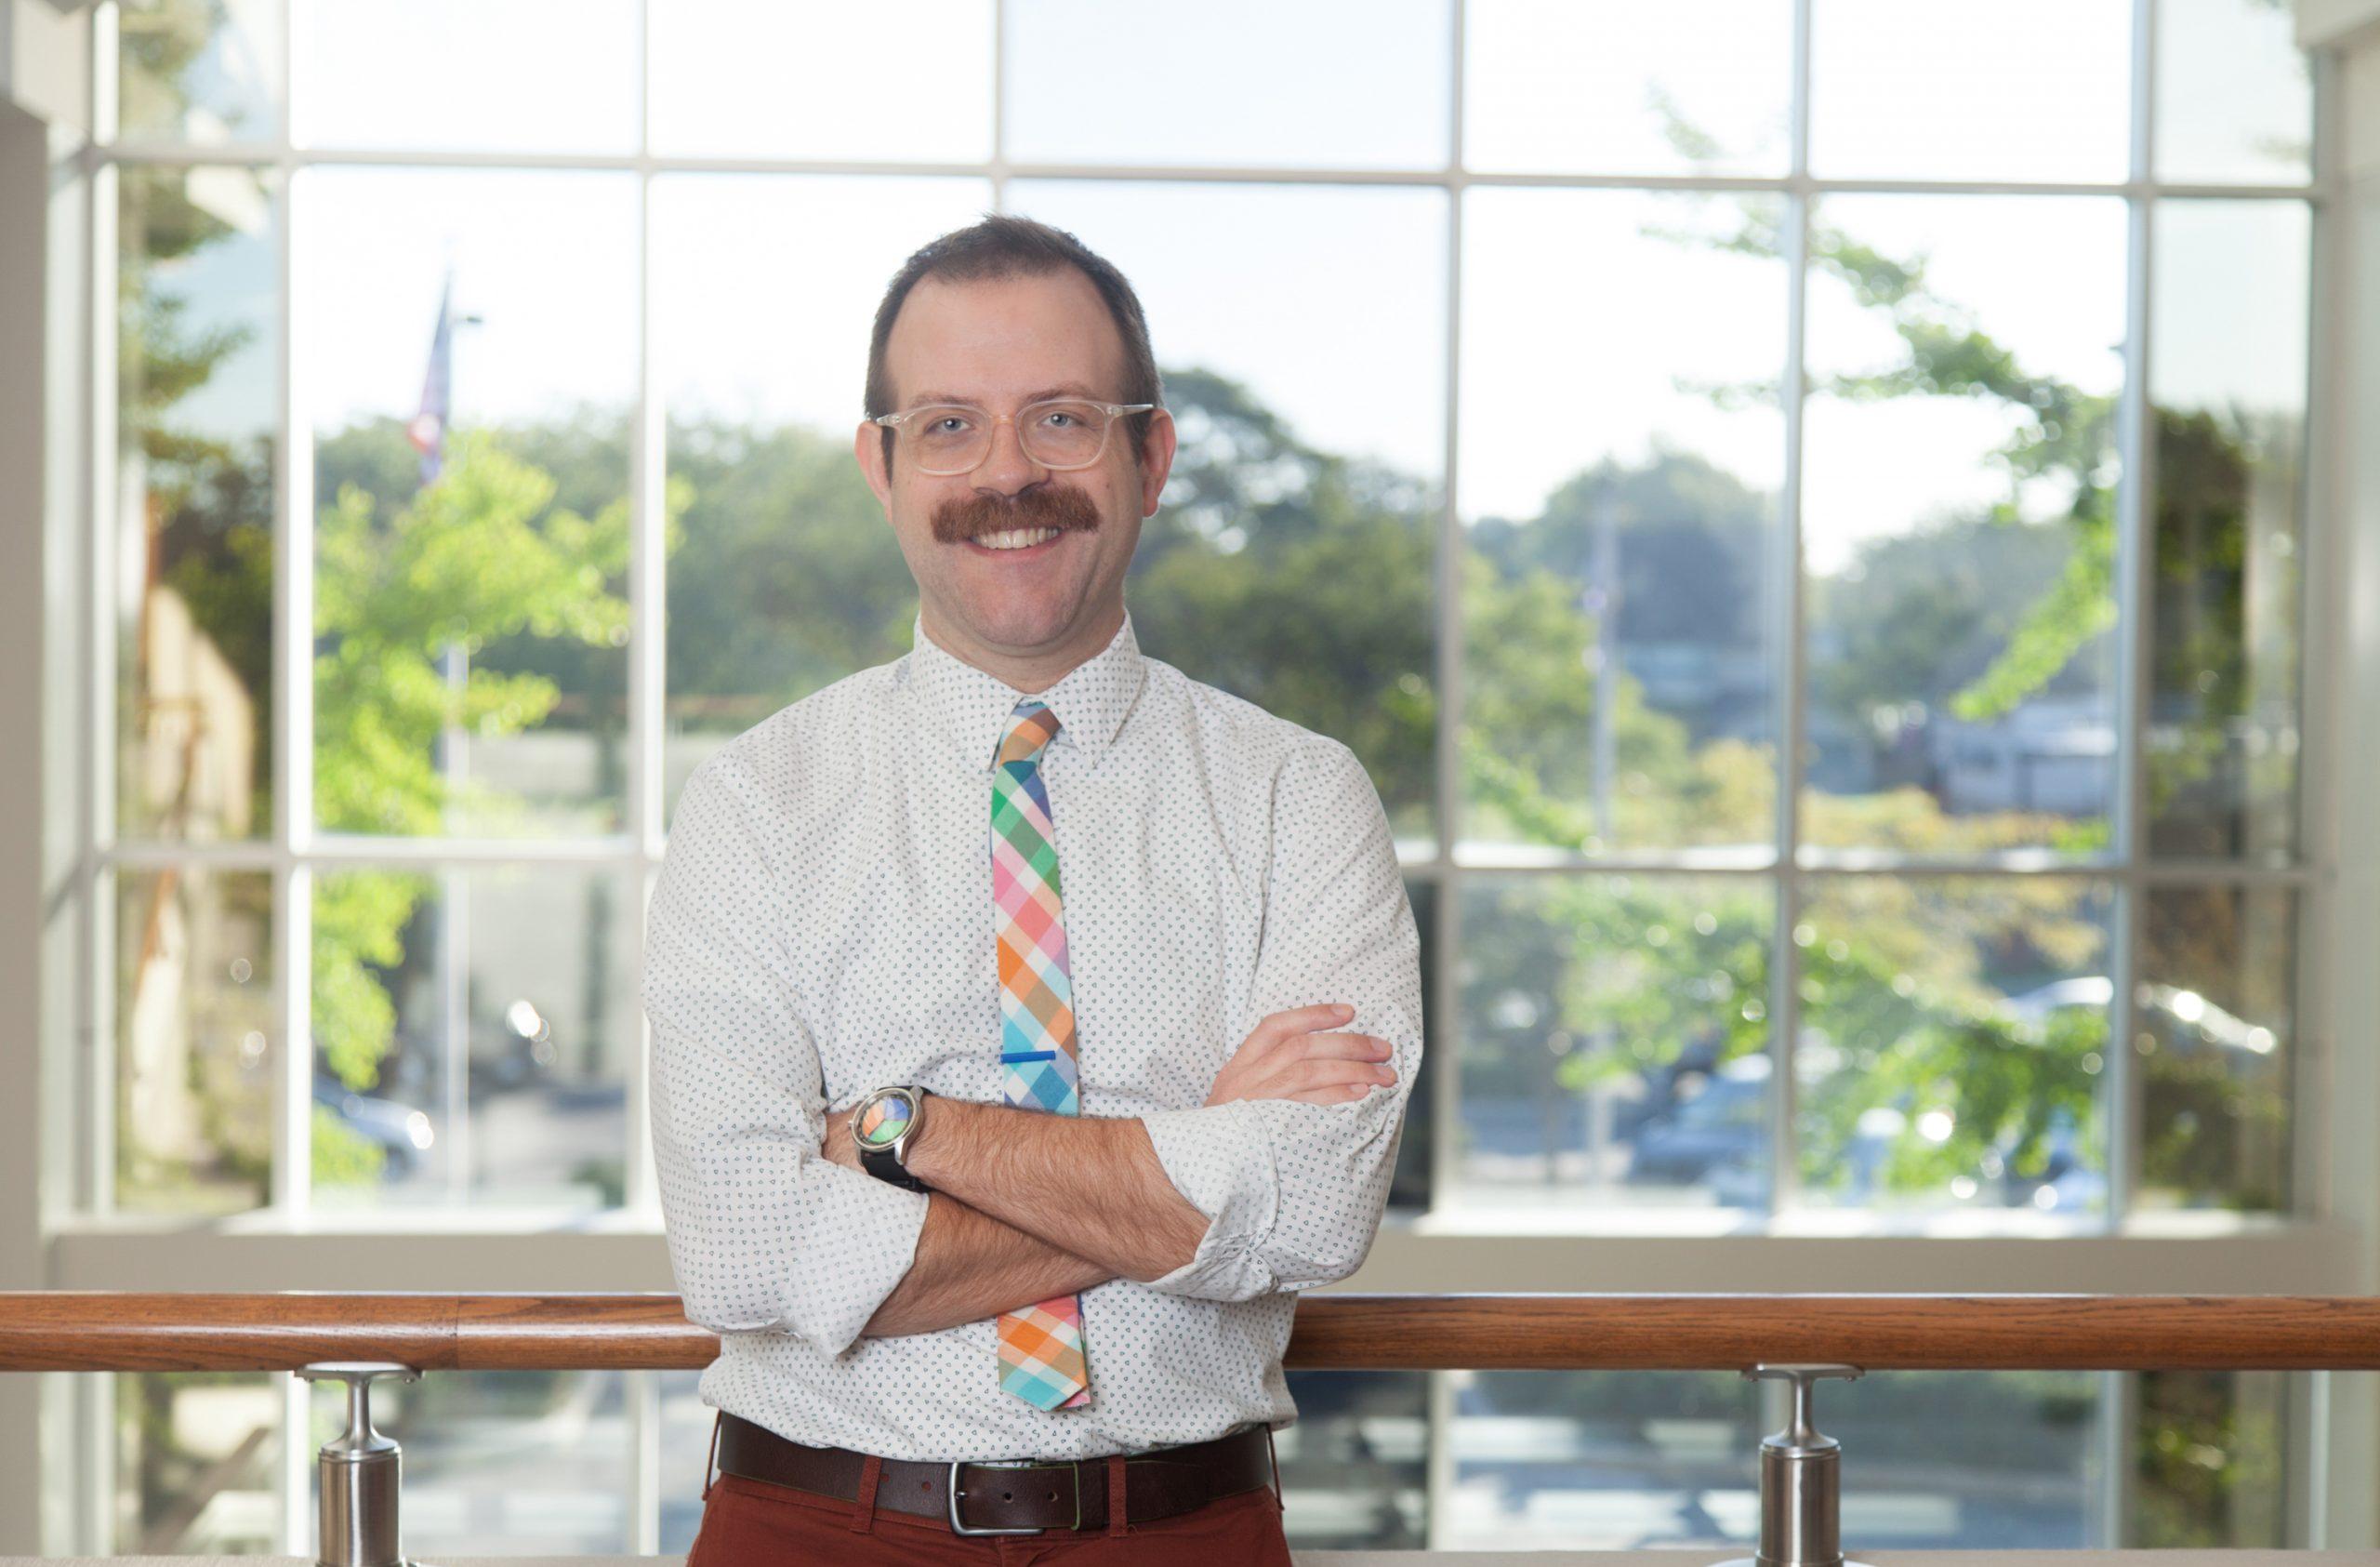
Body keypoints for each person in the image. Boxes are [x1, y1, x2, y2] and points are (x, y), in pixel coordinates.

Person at [644, 213, 1423, 1564]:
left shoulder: (1302, 793)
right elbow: (746, 1253)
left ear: (1151, 455)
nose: (1008, 474)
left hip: (1181, 1532)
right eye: (948, 425)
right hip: (816, 1525)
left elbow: (1311, 1207)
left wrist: (907, 1129)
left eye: (1061, 418)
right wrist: (1190, 1152)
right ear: (880, 467)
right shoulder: (753, 801)